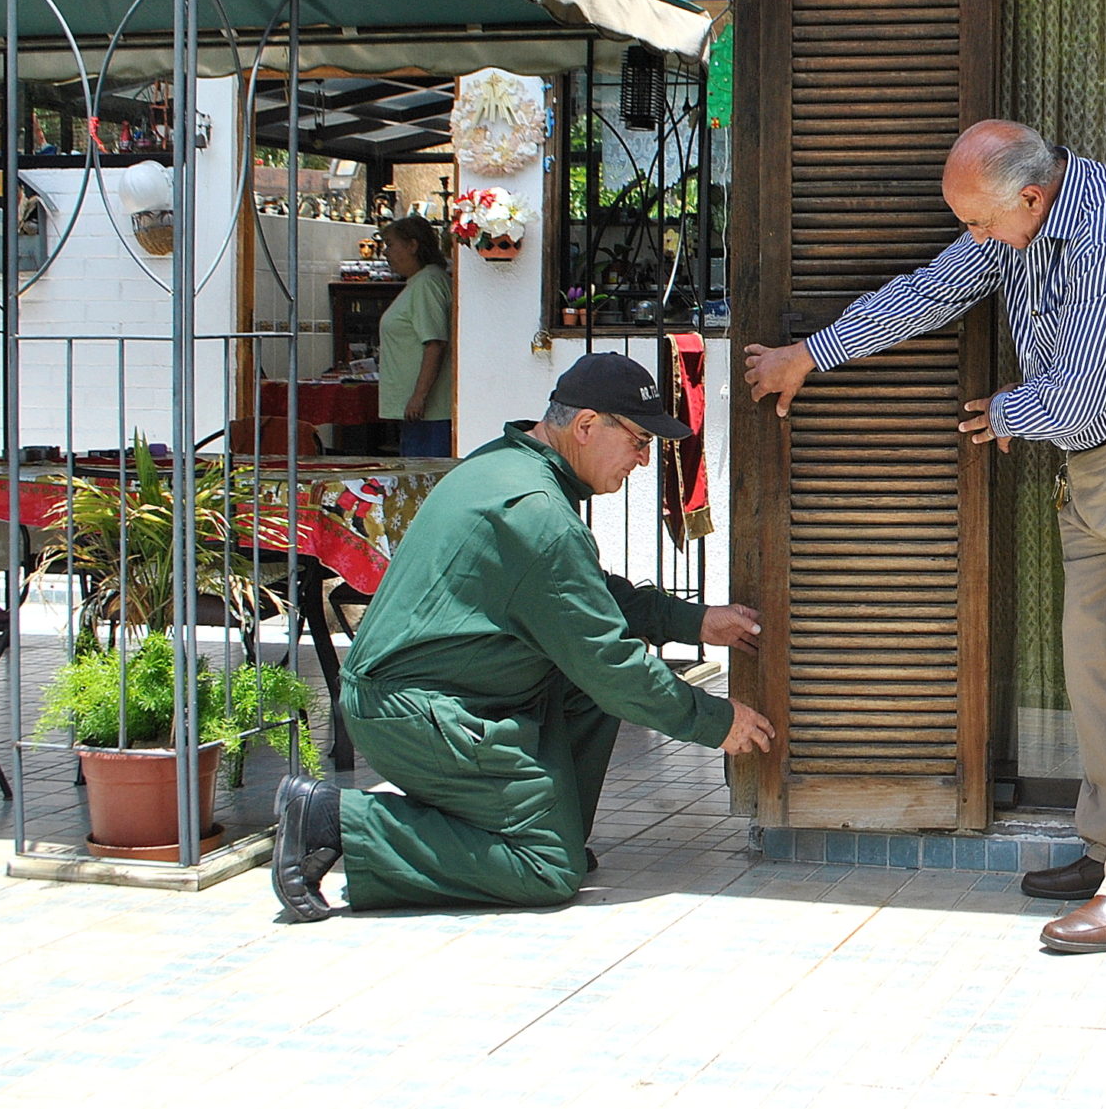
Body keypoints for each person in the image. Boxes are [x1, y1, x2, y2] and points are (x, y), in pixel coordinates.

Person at [744, 120, 1106, 954]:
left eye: (977, 224)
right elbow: (931, 291)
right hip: (1096, 462)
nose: (972, 240)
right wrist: (812, 354)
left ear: (1031, 195)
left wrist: (1006, 412)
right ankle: (1105, 850)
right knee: (1093, 665)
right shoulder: (1014, 223)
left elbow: (1077, 397)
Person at [271, 352, 777, 921]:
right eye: (639, 440)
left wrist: (695, 621)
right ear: (586, 426)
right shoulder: (535, 510)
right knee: (547, 870)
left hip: (447, 695)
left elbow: (579, 597)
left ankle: (542, 835)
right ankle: (333, 818)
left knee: (581, 692)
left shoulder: (511, 467)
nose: (642, 459)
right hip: (415, 712)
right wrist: (717, 723)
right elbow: (610, 663)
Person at [377, 215, 454, 458]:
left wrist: (418, 397)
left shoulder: (427, 283)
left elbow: (435, 343)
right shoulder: (420, 282)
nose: (385, 253)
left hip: (428, 413)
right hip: (420, 412)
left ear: (412, 245)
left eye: (390, 244)